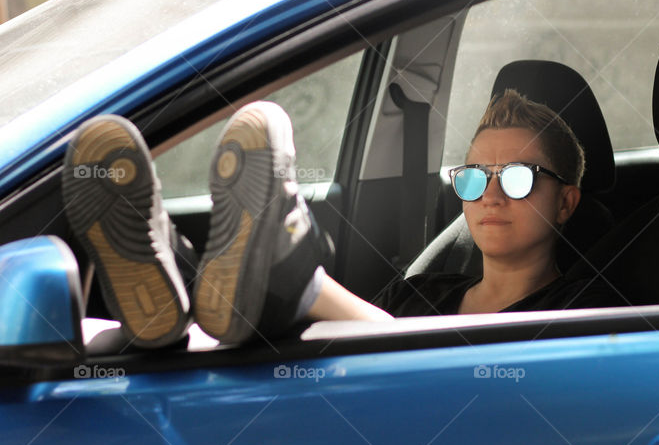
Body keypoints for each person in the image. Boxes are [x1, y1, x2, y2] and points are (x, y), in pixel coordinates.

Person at [61, 89, 621, 349]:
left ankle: (290, 279)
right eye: (474, 176)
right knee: (136, 346)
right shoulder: (422, 293)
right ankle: (180, 302)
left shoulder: (590, 312)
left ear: (566, 202)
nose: (491, 195)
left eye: (518, 177)